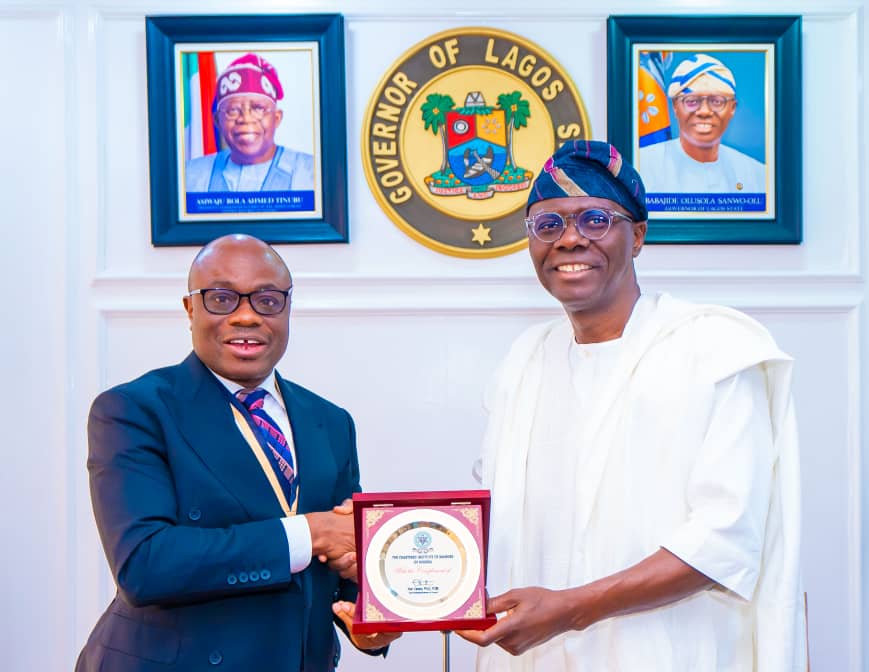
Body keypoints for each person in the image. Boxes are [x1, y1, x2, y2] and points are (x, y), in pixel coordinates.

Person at [458, 141, 805, 670]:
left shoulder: (715, 348)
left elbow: (725, 541)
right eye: (547, 224)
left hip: (673, 653)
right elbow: (495, 515)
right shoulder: (524, 361)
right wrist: (377, 551)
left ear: (637, 236)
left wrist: (571, 609)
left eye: (596, 220)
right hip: (538, 658)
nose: (569, 239)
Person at [76, 234, 397, 671]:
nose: (246, 316)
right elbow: (145, 563)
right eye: (222, 298)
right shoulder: (134, 410)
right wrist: (311, 533)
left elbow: (342, 554)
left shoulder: (331, 421)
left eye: (267, 300)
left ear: (287, 308)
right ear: (190, 309)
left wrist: (370, 615)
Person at [186, 53, 315, 193]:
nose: (246, 118)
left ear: (276, 118)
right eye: (233, 110)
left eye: (258, 108)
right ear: (217, 121)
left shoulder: (313, 174)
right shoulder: (190, 176)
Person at [640, 53, 766, 194]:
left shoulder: (758, 177)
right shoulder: (641, 167)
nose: (704, 111)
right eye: (692, 101)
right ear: (675, 106)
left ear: (732, 108)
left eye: (717, 101)